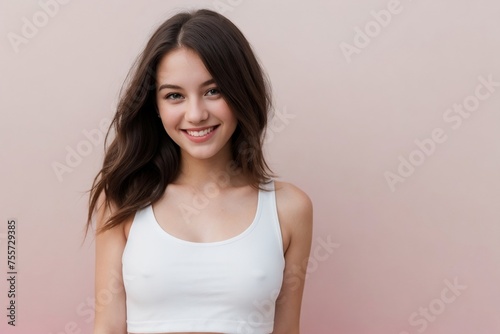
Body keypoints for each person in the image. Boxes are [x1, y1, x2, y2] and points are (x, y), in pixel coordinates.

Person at [87, 8, 313, 334]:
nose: (195, 114)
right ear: (157, 107)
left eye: (213, 91)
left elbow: (287, 329)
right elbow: (107, 328)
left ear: (241, 92)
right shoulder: (123, 200)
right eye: (174, 95)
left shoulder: (289, 209)